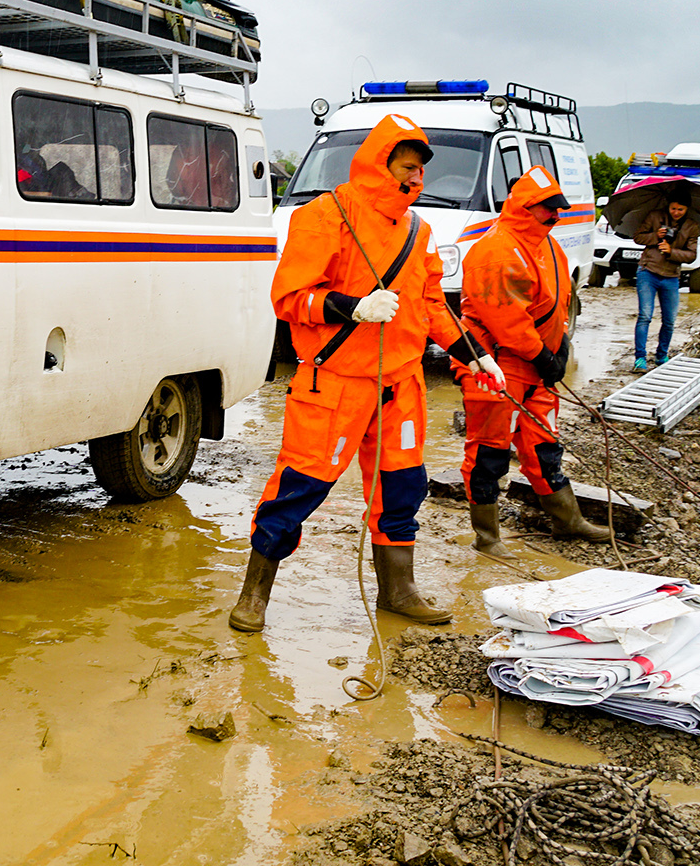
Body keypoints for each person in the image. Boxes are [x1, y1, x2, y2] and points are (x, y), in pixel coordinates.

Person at [229, 114, 502, 632]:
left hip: (401, 385)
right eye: (407, 168)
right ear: (380, 164)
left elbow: (431, 309)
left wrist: (475, 355)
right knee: (298, 490)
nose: (416, 180)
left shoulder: (420, 231)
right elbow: (288, 298)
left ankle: (398, 591)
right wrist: (352, 307)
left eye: (422, 171)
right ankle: (254, 595)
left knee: (403, 489)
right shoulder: (323, 216)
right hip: (333, 383)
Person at [453, 166, 611, 557]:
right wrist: (543, 355)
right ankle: (487, 537)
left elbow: (558, 303)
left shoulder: (549, 246)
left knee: (544, 445)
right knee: (488, 453)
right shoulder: (494, 250)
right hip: (497, 367)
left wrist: (558, 351)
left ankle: (567, 520)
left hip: (536, 368)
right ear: (527, 207)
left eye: (558, 208)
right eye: (548, 209)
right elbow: (506, 318)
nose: (556, 215)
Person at [631, 185, 700, 370]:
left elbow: (692, 255)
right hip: (648, 271)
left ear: (687, 209)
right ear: (668, 206)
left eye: (680, 209)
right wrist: (655, 236)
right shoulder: (655, 216)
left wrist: (672, 251)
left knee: (669, 320)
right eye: (673, 208)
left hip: (671, 276)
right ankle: (640, 358)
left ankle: (662, 356)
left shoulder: (692, 226)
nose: (676, 212)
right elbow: (637, 237)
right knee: (645, 316)